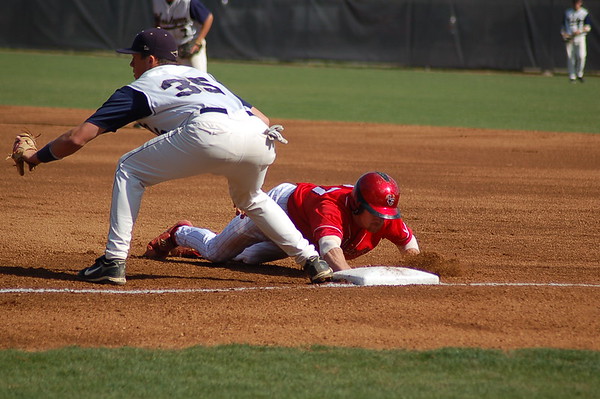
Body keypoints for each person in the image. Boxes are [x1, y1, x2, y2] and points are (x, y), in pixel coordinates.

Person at [15, 28, 332, 285]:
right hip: (260, 138)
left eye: (134, 57)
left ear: (150, 59)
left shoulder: (140, 88)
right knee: (252, 197)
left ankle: (113, 261)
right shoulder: (205, 78)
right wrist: (238, 163)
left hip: (210, 133)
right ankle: (312, 260)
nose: (131, 65)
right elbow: (261, 118)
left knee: (129, 168)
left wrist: (35, 156)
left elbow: (77, 137)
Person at [144, 172, 420, 273]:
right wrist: (351, 277)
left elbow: (409, 246)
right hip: (279, 208)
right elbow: (330, 251)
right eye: (375, 214)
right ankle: (179, 233)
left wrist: (419, 268)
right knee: (217, 252)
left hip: (303, 232)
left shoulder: (384, 216)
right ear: (357, 205)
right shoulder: (331, 208)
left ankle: (193, 249)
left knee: (246, 259)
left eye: (386, 215)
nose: (381, 222)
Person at [153, 0, 213, 72]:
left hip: (191, 44)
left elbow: (208, 18)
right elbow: (157, 23)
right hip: (172, 48)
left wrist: (198, 42)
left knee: (199, 77)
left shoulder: (188, 2)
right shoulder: (157, 2)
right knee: (173, 79)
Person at [561, 0, 592, 83]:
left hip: (580, 37)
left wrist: (580, 31)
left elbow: (588, 27)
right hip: (570, 38)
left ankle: (580, 74)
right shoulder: (568, 12)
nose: (576, 4)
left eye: (577, 2)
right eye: (574, 2)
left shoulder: (584, 13)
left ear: (581, 3)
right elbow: (563, 25)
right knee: (570, 57)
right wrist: (564, 34)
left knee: (582, 56)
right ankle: (572, 76)